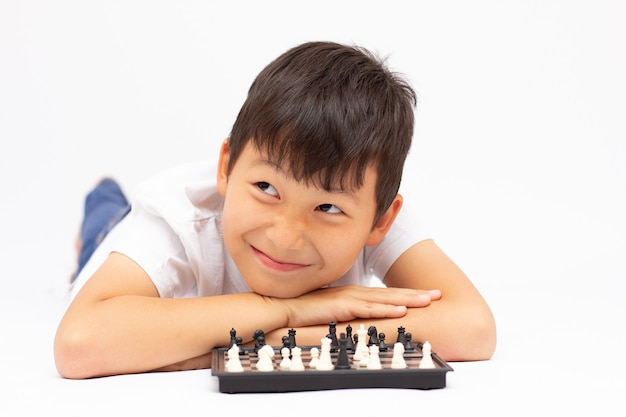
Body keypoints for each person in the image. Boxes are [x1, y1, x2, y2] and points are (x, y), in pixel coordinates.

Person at [54, 41, 496, 379]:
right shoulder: (177, 216)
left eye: (326, 207)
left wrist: (281, 337)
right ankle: (105, 201)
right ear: (226, 167)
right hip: (117, 234)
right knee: (106, 226)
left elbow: (473, 328)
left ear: (381, 220)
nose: (285, 235)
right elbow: (78, 343)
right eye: (266, 187)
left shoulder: (368, 195)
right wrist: (287, 310)